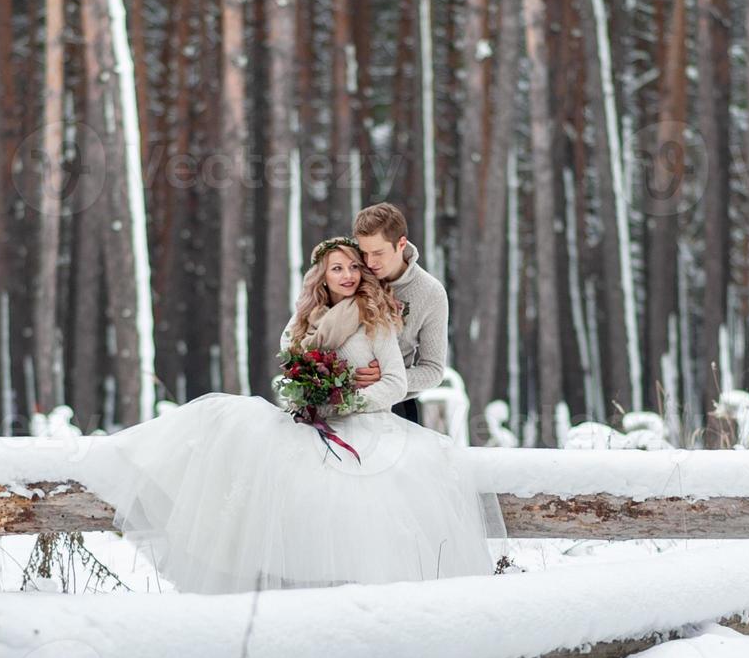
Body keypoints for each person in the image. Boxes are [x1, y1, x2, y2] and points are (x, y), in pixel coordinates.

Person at [85, 239, 501, 593]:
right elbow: (289, 369)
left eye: (354, 267)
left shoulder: (375, 318)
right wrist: (308, 395)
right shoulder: (304, 320)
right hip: (312, 422)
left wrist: (347, 400)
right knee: (227, 418)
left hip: (364, 425)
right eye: (336, 268)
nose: (347, 275)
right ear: (321, 275)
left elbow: (394, 383)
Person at [350, 203, 449, 425]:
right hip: (343, 400)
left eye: (378, 253)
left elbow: (433, 370)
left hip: (396, 409)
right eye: (363, 253)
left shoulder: (430, 292)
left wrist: (387, 376)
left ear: (401, 243)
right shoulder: (350, 274)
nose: (369, 262)